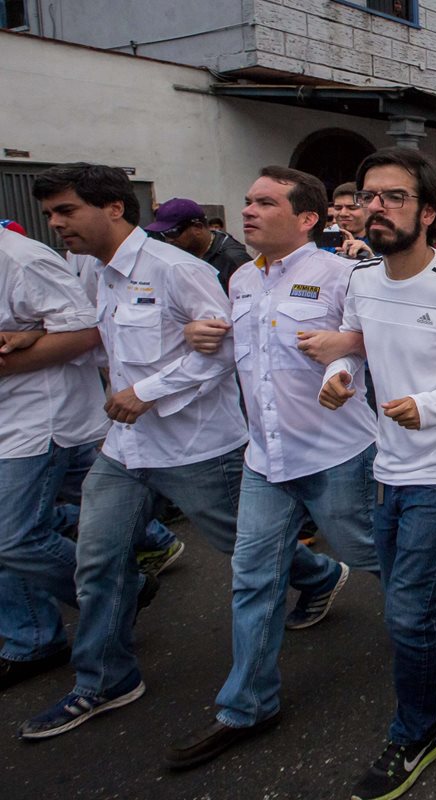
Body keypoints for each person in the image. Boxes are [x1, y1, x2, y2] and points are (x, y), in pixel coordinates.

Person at [18, 163, 267, 740]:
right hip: (124, 448)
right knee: (98, 559)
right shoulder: (92, 273)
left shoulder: (177, 268)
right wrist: (27, 333)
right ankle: (104, 678)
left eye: (66, 210)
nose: (55, 223)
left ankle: (318, 574)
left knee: (246, 546)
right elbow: (94, 335)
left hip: (197, 445)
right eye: (51, 213)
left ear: (112, 208)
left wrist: (147, 393)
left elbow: (225, 350)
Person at [164, 166, 380, 769]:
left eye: (265, 203)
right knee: (252, 576)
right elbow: (249, 358)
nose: (248, 212)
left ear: (306, 218)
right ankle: (247, 705)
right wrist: (203, 338)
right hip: (267, 458)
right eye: (247, 201)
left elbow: (364, 342)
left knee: (378, 559)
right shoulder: (238, 280)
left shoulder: (343, 275)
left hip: (336, 452)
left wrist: (341, 374)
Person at [318, 148, 436, 800]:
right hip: (388, 465)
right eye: (369, 195)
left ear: (429, 213)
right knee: (408, 591)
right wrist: (338, 377)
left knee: (403, 609)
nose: (375, 207)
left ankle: (419, 730)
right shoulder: (361, 279)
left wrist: (432, 403)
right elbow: (353, 343)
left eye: (393, 197)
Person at [0, 225, 111, 690]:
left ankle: (118, 592)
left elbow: (87, 333)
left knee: (14, 536)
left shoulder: (21, 259)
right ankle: (32, 638)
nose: (59, 222)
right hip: (12, 419)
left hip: (36, 421)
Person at [146, 197, 250, 292]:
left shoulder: (233, 260)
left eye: (173, 232)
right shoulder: (182, 253)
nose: (169, 239)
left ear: (198, 227)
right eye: (163, 233)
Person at [331, 182, 375, 260]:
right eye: (338, 208)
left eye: (352, 207)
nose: (343, 213)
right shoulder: (321, 243)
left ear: (368, 209)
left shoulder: (385, 243)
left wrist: (371, 258)